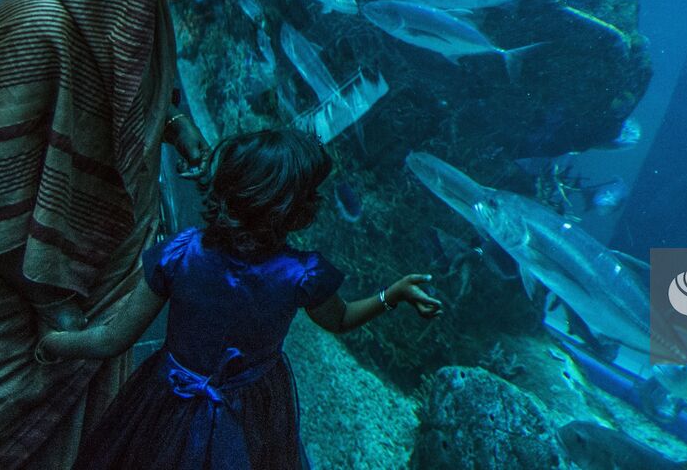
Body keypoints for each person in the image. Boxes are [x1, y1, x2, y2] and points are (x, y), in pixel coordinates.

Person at [0, 0, 226, 468]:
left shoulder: (137, 13)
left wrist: (173, 122)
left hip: (84, 273)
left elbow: (116, 104)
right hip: (9, 288)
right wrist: (52, 296)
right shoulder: (36, 29)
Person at [37, 129, 443, 469]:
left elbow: (112, 339)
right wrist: (393, 294)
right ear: (294, 210)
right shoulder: (303, 274)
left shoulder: (180, 254)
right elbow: (340, 319)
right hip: (255, 407)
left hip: (168, 401)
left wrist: (52, 343)